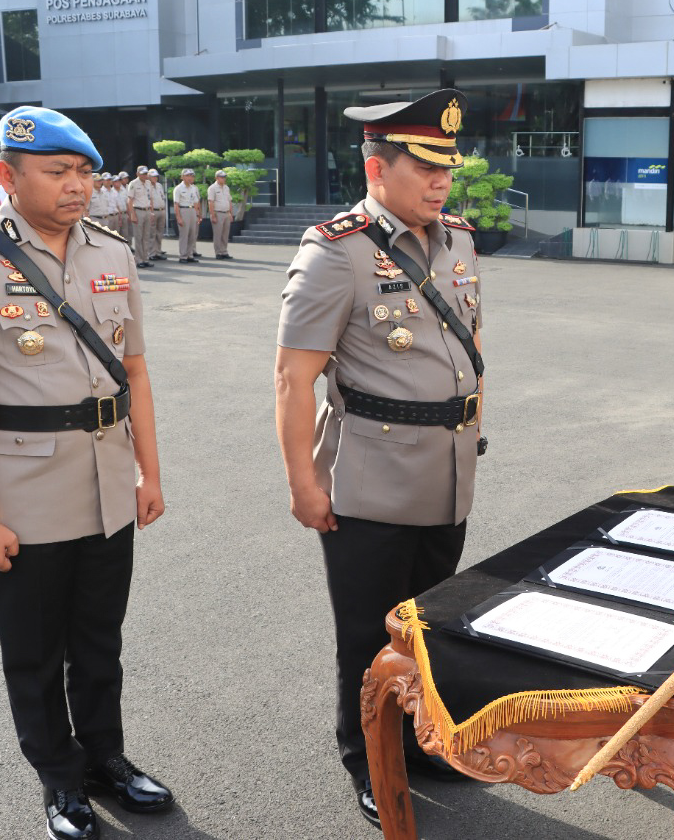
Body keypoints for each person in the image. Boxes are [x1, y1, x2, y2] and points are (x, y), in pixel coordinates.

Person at [0, 106, 175, 840]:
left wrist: (149, 472)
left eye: (84, 172)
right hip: (23, 495)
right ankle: (60, 780)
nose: (76, 186)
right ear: (7, 175)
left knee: (99, 640)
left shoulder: (111, 252)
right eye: (57, 172)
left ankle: (105, 759)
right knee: (33, 653)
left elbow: (136, 374)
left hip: (107, 484)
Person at [274, 88, 484, 828]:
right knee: (368, 636)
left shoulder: (457, 239)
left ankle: (422, 743)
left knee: (431, 625)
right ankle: (367, 756)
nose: (440, 182)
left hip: (446, 474)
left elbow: (472, 350)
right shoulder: (336, 251)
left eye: (446, 168)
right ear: (375, 166)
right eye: (423, 166)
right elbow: (294, 377)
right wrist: (303, 480)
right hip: (368, 477)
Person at [171, 169, 200, 263]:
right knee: (184, 234)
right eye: (187, 176)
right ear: (182, 177)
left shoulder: (193, 188)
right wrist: (178, 217)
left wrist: (198, 214)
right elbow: (176, 204)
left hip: (192, 211)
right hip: (183, 210)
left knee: (192, 234)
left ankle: (190, 254)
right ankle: (183, 256)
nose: (190, 178)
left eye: (191, 176)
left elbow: (196, 202)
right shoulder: (178, 188)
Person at [206, 169, 233, 260]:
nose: (224, 179)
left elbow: (229, 201)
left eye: (224, 177)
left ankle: (224, 251)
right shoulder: (212, 188)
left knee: (225, 234)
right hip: (218, 213)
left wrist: (230, 213)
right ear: (216, 178)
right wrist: (212, 215)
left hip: (226, 213)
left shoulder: (226, 188)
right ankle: (218, 252)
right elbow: (211, 202)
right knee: (218, 234)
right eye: (222, 177)